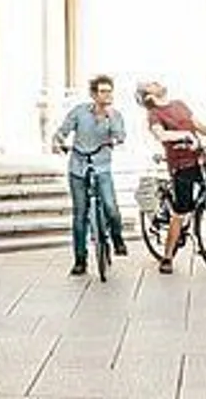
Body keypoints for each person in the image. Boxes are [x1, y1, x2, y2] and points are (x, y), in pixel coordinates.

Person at [138, 81, 206, 275]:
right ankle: (167, 257)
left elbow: (197, 125)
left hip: (200, 158)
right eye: (151, 85)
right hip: (181, 164)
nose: (157, 83)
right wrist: (184, 135)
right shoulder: (154, 114)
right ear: (148, 96)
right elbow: (161, 135)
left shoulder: (179, 104)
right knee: (181, 210)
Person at [53, 74, 127, 276]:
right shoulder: (79, 112)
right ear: (94, 94)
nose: (107, 95)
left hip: (102, 165)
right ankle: (80, 259)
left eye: (110, 91)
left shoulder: (115, 115)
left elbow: (120, 136)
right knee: (80, 214)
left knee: (111, 207)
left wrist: (110, 123)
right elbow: (63, 130)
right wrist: (58, 141)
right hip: (78, 165)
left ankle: (117, 238)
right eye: (103, 91)